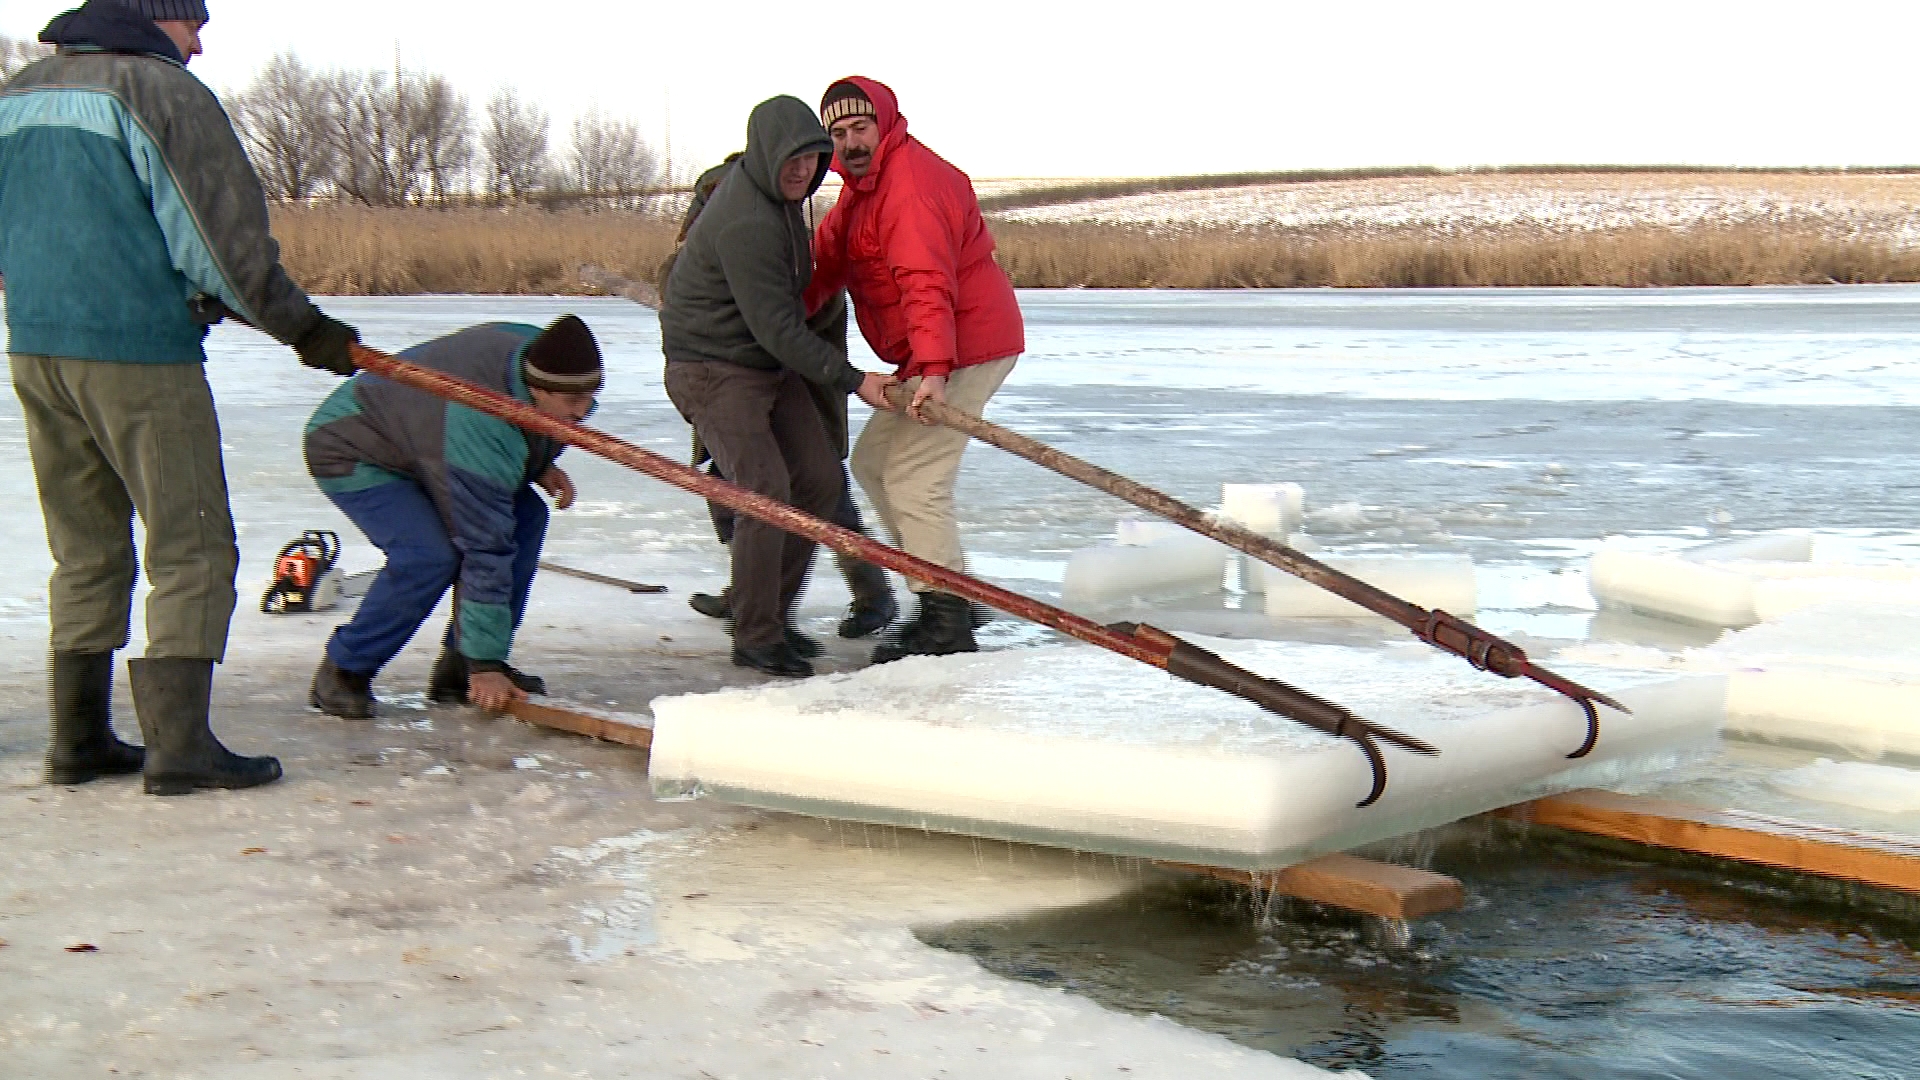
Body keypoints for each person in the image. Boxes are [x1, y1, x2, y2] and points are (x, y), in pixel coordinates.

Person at [1, 0, 359, 795]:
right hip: (138, 354)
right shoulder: (160, 93)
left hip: (35, 348)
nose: (199, 41)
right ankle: (180, 749)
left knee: (86, 547)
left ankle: (79, 741)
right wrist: (304, 329)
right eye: (192, 22)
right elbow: (219, 244)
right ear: (152, 18)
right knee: (191, 545)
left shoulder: (19, 92)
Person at [659, 95, 896, 678]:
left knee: (816, 483)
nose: (801, 172)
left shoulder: (786, 203)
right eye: (791, 161)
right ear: (766, 157)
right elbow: (777, 326)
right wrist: (854, 380)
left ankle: (767, 613)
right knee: (762, 492)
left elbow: (786, 319)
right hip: (712, 367)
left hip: (766, 364)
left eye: (812, 161)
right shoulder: (746, 219)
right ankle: (756, 634)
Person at [805, 76, 1025, 663]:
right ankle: (946, 593)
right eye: (839, 132)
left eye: (860, 128)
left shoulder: (909, 186)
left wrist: (932, 369)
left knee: (914, 477)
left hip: (964, 345)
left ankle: (947, 620)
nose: (851, 142)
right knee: (876, 462)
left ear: (885, 123)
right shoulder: (861, 192)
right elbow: (826, 262)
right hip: (934, 350)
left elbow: (925, 282)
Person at [304, 317, 601, 718]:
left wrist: (535, 463)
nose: (584, 414)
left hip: (427, 439)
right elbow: (485, 544)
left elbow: (521, 427)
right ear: (537, 388)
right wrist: (487, 663)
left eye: (591, 397)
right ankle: (345, 671)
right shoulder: (478, 417)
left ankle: (458, 669)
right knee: (427, 556)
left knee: (527, 515)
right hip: (354, 446)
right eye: (572, 406)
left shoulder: (544, 354)